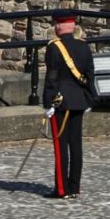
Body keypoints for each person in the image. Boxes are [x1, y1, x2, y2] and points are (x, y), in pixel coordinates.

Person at [41, 12, 95, 199]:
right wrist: (89, 99)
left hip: (61, 102)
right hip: (79, 100)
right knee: (76, 146)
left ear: (59, 27)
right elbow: (89, 76)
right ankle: (74, 187)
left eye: (57, 24)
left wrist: (48, 102)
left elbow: (52, 78)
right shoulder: (84, 47)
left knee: (61, 146)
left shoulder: (54, 48)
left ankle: (61, 189)